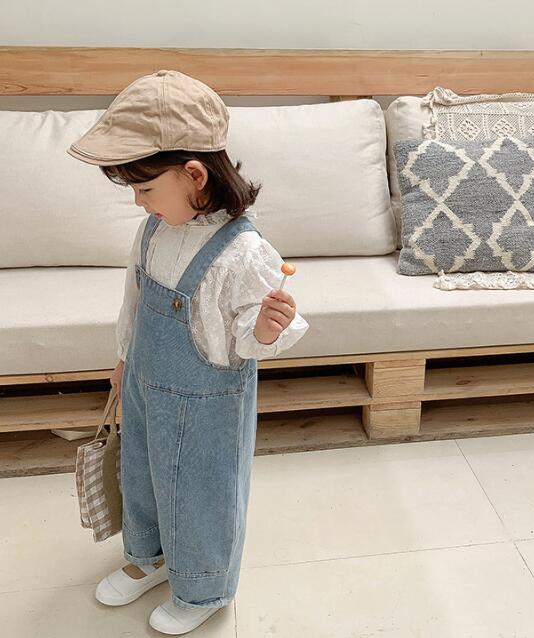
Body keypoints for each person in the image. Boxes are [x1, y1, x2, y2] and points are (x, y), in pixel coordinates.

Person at [66, 69, 310, 634]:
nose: (138, 202)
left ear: (195, 175)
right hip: (144, 382)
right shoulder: (154, 230)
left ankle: (203, 586)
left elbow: (250, 340)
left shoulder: (244, 252)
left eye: (145, 189)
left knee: (198, 492)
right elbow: (133, 300)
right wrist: (123, 358)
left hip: (206, 404)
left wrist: (266, 329)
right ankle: (148, 556)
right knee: (141, 474)